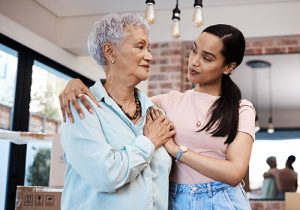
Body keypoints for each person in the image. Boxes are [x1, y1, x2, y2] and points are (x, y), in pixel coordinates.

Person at [60, 23, 255, 209]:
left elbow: (235, 173)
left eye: (207, 58)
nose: (194, 61)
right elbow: (118, 98)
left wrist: (177, 151)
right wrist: (75, 84)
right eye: (194, 51)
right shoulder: (166, 102)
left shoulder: (241, 109)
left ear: (228, 67)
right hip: (175, 200)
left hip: (222, 201)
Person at [59, 13, 176, 210]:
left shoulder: (155, 112)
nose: (149, 56)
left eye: (149, 48)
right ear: (110, 52)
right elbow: (106, 175)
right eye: (140, 47)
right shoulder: (82, 108)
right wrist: (149, 142)